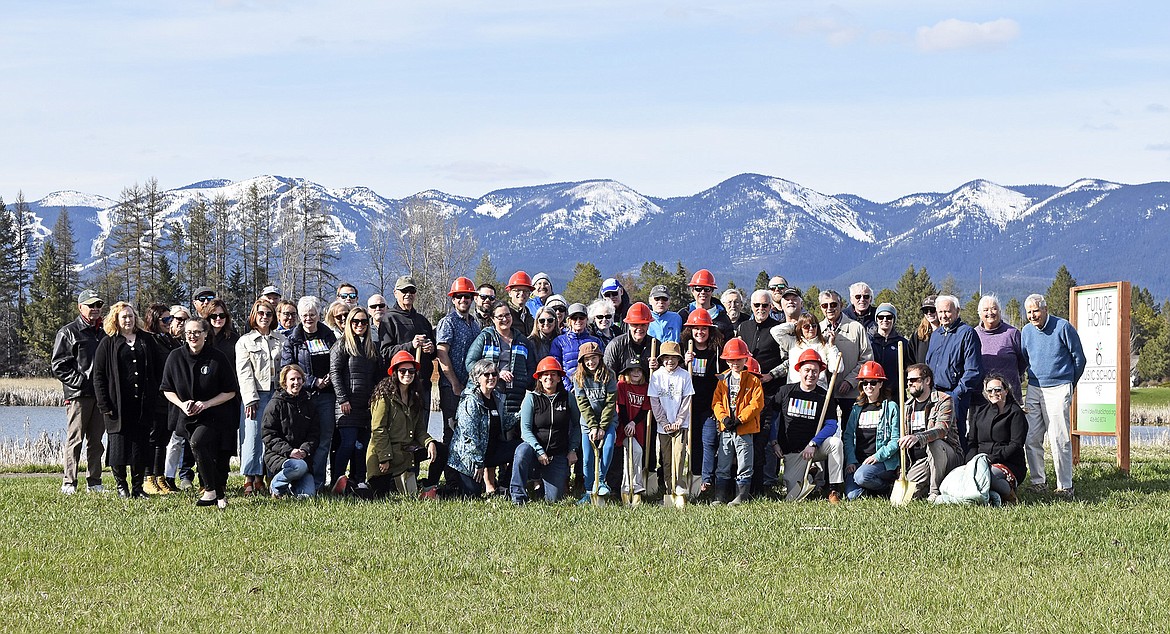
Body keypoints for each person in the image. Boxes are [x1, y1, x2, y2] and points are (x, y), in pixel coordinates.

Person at [160, 317, 239, 508]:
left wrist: (206, 404)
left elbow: (230, 391)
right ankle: (219, 496)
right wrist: (181, 404)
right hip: (187, 416)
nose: (193, 336)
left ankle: (210, 490)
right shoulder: (175, 357)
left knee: (198, 443)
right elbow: (166, 388)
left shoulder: (217, 357)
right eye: (189, 333)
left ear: (205, 334)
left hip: (216, 414)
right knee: (203, 450)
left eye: (197, 332)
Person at [92, 302, 162, 498]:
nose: (128, 320)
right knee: (118, 447)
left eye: (131, 316)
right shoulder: (108, 343)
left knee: (141, 446)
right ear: (116, 319)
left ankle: (138, 487)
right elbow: (98, 376)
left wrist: (155, 394)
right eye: (124, 317)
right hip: (117, 406)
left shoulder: (146, 340)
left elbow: (158, 369)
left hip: (142, 404)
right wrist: (104, 404)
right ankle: (121, 486)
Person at [1021, 293, 1086, 500]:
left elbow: (1079, 359)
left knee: (1059, 437)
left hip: (1058, 387)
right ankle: (1038, 482)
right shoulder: (1026, 331)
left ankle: (1065, 486)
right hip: (1034, 387)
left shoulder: (1063, 327)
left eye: (1036, 311)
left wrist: (1069, 384)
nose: (1033, 315)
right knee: (1031, 437)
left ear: (1045, 309)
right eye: (1029, 312)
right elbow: (1025, 356)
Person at [52, 289, 107, 495]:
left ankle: (94, 482)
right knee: (75, 440)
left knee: (96, 441)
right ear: (80, 307)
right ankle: (69, 482)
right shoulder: (68, 332)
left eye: (98, 305)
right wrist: (81, 383)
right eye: (91, 305)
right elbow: (59, 365)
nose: (95, 309)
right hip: (78, 396)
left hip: (100, 396)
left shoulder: (103, 332)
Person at [772, 349, 846, 503]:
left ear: (820, 373)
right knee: (793, 498)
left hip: (815, 449)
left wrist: (813, 443)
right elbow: (772, 418)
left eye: (815, 371)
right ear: (799, 370)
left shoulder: (824, 396)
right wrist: (774, 442)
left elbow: (832, 425)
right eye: (807, 370)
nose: (811, 374)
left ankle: (833, 489)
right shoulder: (785, 392)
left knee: (835, 443)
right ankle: (812, 473)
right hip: (793, 452)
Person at [281, 296, 337, 492]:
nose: (308, 318)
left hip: (327, 397)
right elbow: (287, 368)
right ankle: (297, 479)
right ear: (299, 316)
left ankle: (318, 482)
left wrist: (330, 378)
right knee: (302, 439)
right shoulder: (293, 340)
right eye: (304, 315)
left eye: (312, 314)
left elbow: (337, 362)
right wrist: (313, 381)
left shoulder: (329, 337)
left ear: (319, 315)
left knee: (324, 440)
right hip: (303, 396)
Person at [431, 277, 482, 488]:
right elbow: (442, 354)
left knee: (468, 432)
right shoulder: (447, 322)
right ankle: (451, 480)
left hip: (471, 389)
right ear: (453, 299)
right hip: (451, 387)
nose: (463, 299)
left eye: (467, 296)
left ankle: (465, 477)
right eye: (459, 296)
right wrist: (453, 383)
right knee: (451, 432)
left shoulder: (475, 325)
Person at [511, 357, 581, 504]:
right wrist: (539, 451)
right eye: (545, 374)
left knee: (553, 499)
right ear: (540, 378)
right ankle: (518, 497)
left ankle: (540, 486)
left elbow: (577, 425)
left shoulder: (568, 398)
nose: (549, 377)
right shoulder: (531, 398)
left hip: (557, 453)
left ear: (559, 378)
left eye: (553, 374)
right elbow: (525, 430)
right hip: (534, 451)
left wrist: (573, 448)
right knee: (521, 451)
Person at [447, 358, 519, 497]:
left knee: (523, 448)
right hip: (469, 457)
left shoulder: (497, 397)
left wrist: (523, 413)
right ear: (477, 378)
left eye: (494, 374)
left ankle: (504, 486)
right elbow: (469, 436)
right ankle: (439, 493)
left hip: (491, 451)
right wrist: (478, 464)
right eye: (486, 374)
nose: (491, 377)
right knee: (472, 496)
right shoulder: (470, 401)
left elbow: (504, 422)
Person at [235, 299, 285, 495]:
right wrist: (250, 398)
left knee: (273, 435)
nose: (265, 317)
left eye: (269, 314)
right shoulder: (245, 341)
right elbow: (244, 372)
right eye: (261, 313)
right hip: (255, 394)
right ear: (254, 315)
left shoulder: (282, 340)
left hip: (277, 394)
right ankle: (250, 479)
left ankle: (266, 477)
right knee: (252, 436)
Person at [737, 289, 785, 493]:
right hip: (745, 392)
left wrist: (771, 375)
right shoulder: (743, 328)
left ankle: (767, 481)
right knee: (747, 438)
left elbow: (787, 360)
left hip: (769, 390)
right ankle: (745, 481)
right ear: (751, 306)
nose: (760, 309)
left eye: (765, 306)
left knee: (767, 438)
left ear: (770, 307)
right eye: (756, 305)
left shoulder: (777, 330)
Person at [367, 351, 434, 497]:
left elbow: (419, 430)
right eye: (402, 371)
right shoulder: (383, 396)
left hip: (406, 454)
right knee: (377, 496)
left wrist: (429, 442)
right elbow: (378, 429)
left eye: (411, 371)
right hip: (384, 457)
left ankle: (429, 487)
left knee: (441, 450)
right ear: (395, 372)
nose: (407, 374)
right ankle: (349, 487)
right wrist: (384, 457)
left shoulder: (415, 396)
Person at [329, 306, 379, 496]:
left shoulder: (370, 347)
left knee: (361, 446)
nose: (360, 325)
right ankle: (337, 479)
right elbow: (334, 373)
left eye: (364, 322)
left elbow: (375, 375)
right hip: (346, 405)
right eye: (355, 321)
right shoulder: (341, 345)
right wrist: (342, 398)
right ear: (349, 323)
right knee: (348, 443)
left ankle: (358, 480)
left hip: (365, 405)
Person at [924, 295, 983, 449]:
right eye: (940, 312)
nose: (943, 315)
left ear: (957, 311)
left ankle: (959, 468)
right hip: (935, 395)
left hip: (955, 395)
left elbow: (973, 370)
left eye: (948, 311)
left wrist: (956, 394)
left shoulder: (967, 333)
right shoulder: (936, 335)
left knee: (956, 437)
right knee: (934, 436)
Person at [710, 338, 763, 505]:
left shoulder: (753, 381)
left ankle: (741, 496)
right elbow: (716, 402)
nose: (735, 363)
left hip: (744, 429)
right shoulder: (722, 380)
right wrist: (724, 418)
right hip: (726, 429)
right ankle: (720, 496)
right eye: (731, 360)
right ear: (727, 360)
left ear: (745, 359)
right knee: (723, 463)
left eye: (739, 359)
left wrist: (741, 419)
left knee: (745, 464)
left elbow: (757, 403)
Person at [898, 363, 961, 501]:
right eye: (908, 380)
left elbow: (941, 429)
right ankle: (926, 485)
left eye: (914, 380)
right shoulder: (907, 407)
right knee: (903, 499)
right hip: (922, 461)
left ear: (927, 380)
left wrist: (918, 437)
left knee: (934, 443)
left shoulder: (944, 400)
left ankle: (934, 492)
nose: (910, 384)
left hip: (946, 454)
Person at [465, 299, 536, 422]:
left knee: (511, 435)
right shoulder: (485, 337)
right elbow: (470, 363)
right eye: (500, 316)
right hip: (488, 394)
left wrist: (522, 382)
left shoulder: (523, 341)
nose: (505, 319)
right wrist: (496, 373)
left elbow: (531, 368)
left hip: (515, 398)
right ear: (493, 319)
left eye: (507, 315)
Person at [842, 361, 901, 499]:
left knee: (861, 477)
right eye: (865, 382)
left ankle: (886, 487)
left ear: (880, 384)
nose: (869, 386)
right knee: (852, 496)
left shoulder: (891, 407)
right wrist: (851, 460)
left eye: (873, 382)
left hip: (882, 461)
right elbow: (848, 436)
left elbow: (895, 440)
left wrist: (877, 456)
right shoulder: (857, 408)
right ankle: (872, 490)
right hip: (859, 461)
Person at [967, 373, 1028, 504]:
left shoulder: (1015, 413)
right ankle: (993, 495)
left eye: (998, 389)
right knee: (966, 475)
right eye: (989, 390)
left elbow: (1016, 445)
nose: (993, 393)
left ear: (1006, 391)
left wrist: (991, 459)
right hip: (980, 461)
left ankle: (1009, 493)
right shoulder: (979, 412)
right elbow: (972, 441)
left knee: (986, 476)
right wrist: (971, 462)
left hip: (1008, 463)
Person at [682, 310, 724, 497]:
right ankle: (694, 475)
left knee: (709, 441)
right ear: (690, 330)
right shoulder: (684, 348)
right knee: (693, 442)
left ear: (710, 330)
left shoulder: (716, 351)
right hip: (689, 404)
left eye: (704, 329)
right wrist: (684, 363)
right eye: (696, 328)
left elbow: (722, 377)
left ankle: (706, 480)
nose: (700, 332)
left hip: (709, 405)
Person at [262, 364, 320, 498]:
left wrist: (304, 450)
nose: (296, 383)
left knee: (308, 496)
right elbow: (268, 435)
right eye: (292, 379)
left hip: (303, 458)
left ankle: (287, 489)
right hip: (280, 456)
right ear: (284, 382)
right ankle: (276, 485)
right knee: (297, 467)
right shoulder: (275, 404)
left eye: (299, 379)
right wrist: (289, 451)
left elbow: (314, 433)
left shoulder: (309, 403)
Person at [819, 289, 873, 427]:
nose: (829, 308)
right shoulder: (817, 330)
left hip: (851, 393)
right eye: (825, 305)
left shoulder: (856, 328)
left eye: (833, 304)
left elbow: (867, 360)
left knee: (851, 433)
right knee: (825, 431)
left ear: (841, 305)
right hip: (825, 393)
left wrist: (850, 381)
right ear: (820, 307)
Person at [648, 341, 695, 499]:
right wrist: (664, 422)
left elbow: (687, 400)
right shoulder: (656, 376)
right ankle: (669, 488)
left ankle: (678, 485)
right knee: (667, 458)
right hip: (664, 426)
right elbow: (654, 402)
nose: (670, 360)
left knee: (679, 456)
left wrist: (679, 421)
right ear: (661, 359)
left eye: (674, 357)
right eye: (666, 357)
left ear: (679, 359)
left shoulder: (684, 375)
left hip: (680, 425)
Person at [383, 276, 437, 409]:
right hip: (399, 387)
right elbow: (385, 352)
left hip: (422, 386)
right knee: (401, 429)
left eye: (411, 291)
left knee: (421, 429)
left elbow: (434, 354)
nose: (408, 294)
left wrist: (431, 349)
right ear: (396, 293)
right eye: (404, 291)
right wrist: (410, 346)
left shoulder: (422, 321)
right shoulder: (389, 319)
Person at [141, 303, 178, 494]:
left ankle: (159, 477)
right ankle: (148, 478)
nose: (169, 322)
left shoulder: (169, 340)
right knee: (153, 438)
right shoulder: (149, 341)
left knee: (164, 439)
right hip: (154, 398)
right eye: (165, 319)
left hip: (168, 399)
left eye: (170, 318)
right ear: (154, 320)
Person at [573, 341, 618, 501]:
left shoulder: (609, 375)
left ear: (600, 358)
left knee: (608, 447)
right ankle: (588, 489)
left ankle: (601, 482)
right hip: (587, 424)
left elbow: (610, 402)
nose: (591, 362)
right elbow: (583, 404)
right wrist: (593, 426)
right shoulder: (578, 377)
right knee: (587, 458)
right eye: (587, 359)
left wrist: (603, 427)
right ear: (582, 362)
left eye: (593, 358)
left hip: (607, 421)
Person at [161, 305, 196, 491]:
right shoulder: (163, 341)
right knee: (172, 441)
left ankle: (184, 476)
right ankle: (167, 477)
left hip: (187, 400)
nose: (180, 323)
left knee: (185, 440)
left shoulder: (188, 344)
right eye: (177, 319)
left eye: (185, 320)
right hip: (168, 398)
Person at [975, 295, 1027, 402]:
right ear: (979, 313)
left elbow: (1023, 360)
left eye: (994, 308)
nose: (990, 312)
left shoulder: (1012, 333)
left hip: (1010, 395)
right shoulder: (973, 334)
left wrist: (1012, 377)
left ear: (999, 311)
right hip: (981, 397)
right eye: (985, 310)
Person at [615, 359, 650, 504]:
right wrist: (627, 424)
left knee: (634, 454)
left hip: (637, 428)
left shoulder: (646, 387)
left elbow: (645, 410)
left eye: (639, 370)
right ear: (628, 372)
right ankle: (632, 486)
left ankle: (629, 487)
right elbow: (621, 407)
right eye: (633, 370)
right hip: (623, 428)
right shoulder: (622, 385)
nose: (636, 373)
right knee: (633, 453)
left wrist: (634, 423)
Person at [776, 314, 841, 388]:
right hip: (794, 389)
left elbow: (837, 368)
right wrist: (794, 325)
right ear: (800, 328)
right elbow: (775, 332)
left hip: (818, 390)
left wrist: (832, 346)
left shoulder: (824, 345)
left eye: (813, 326)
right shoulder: (792, 342)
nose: (811, 329)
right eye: (806, 326)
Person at [549, 303, 602, 391]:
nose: (578, 321)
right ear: (569, 320)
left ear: (587, 319)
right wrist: (569, 388)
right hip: (567, 390)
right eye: (574, 318)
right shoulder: (559, 341)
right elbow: (556, 367)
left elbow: (601, 366)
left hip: (592, 389)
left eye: (581, 317)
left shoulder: (595, 341)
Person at [603, 302, 660, 377]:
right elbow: (607, 374)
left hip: (649, 387)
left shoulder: (656, 345)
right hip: (620, 388)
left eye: (643, 325)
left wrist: (658, 368)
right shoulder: (615, 345)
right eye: (635, 324)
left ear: (648, 324)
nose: (639, 328)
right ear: (629, 325)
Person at [677, 269, 735, 341]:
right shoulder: (683, 315)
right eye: (698, 289)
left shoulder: (723, 319)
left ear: (712, 291)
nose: (703, 292)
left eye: (707, 289)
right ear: (692, 291)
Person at [871, 303, 913, 383]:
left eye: (889, 317)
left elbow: (908, 367)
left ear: (894, 320)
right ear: (876, 319)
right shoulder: (870, 342)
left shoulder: (903, 343)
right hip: (874, 388)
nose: (885, 320)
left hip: (895, 389)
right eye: (881, 317)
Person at [366, 293, 393, 376]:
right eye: (373, 306)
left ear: (386, 308)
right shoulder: (364, 329)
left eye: (381, 305)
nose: (378, 309)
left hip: (392, 373)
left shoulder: (395, 328)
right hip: (371, 375)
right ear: (368, 310)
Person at [910, 295, 939, 364]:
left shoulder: (948, 334)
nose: (929, 313)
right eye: (925, 311)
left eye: (932, 310)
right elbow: (910, 359)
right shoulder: (918, 335)